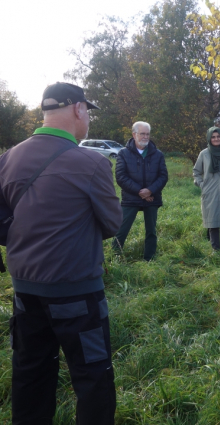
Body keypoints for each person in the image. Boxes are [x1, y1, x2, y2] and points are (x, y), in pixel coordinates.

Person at [0, 82, 122, 424]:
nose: (89, 122)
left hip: (25, 291)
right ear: (78, 109)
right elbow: (112, 224)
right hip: (78, 294)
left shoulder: (8, 158)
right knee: (92, 377)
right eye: (89, 114)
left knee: (30, 374)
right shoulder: (92, 164)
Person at [112, 121, 168, 261]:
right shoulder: (123, 153)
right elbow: (120, 177)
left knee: (151, 231)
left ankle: (150, 260)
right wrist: (140, 192)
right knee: (122, 230)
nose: (145, 137)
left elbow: (163, 176)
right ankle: (114, 258)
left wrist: (150, 191)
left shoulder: (158, 154)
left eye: (147, 134)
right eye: (142, 133)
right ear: (134, 134)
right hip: (131, 198)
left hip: (152, 198)